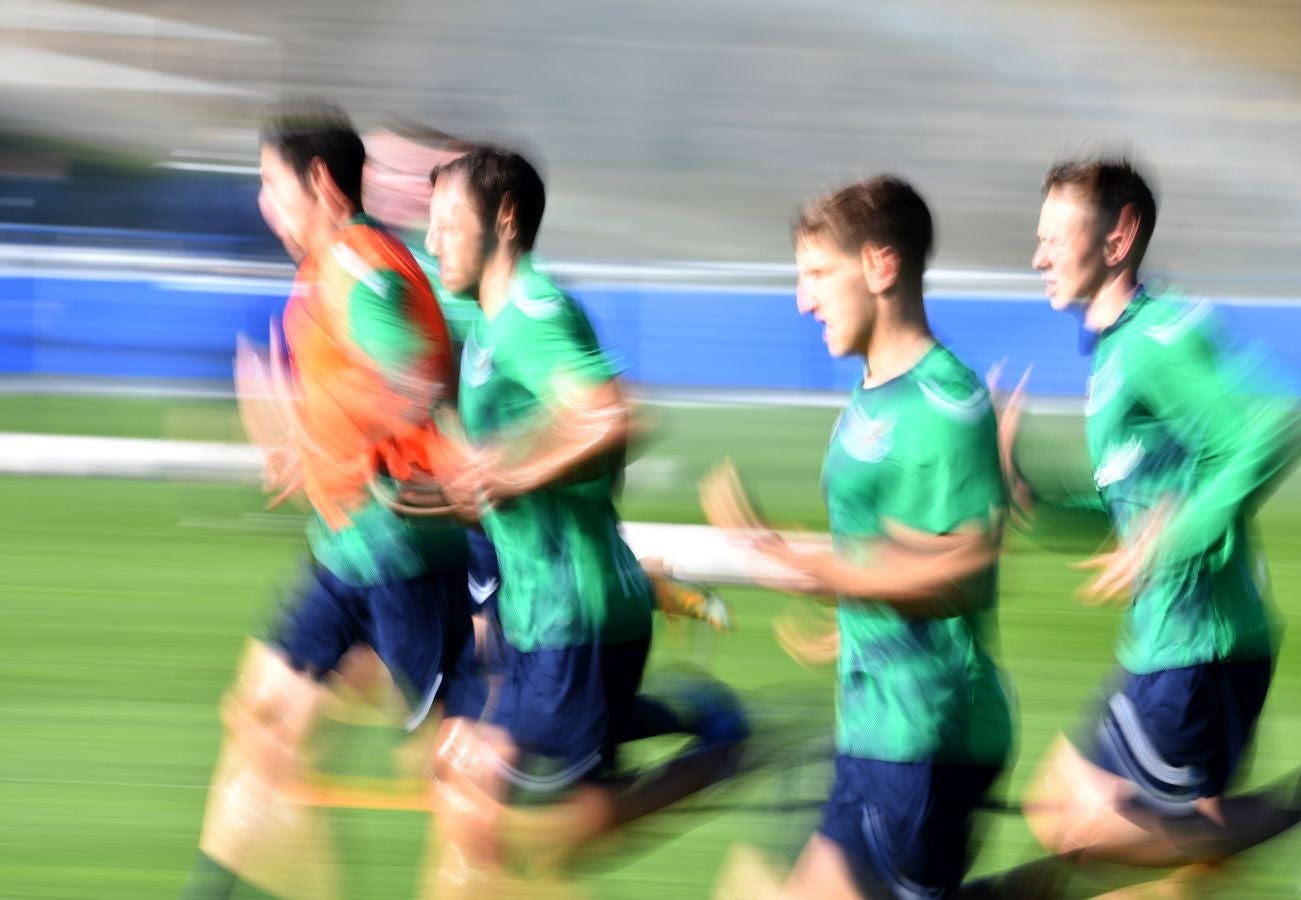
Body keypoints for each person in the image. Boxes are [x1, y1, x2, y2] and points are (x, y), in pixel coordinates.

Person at [992, 155, 1301, 895]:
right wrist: (1035, 498)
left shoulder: (1158, 338)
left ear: (1118, 238)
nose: (1038, 257)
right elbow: (1129, 509)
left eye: (1056, 237)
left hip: (1199, 651)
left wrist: (1175, 535)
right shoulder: (1117, 351)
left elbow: (1274, 423)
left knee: (1072, 822)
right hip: (1168, 645)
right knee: (1148, 870)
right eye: (1039, 237)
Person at [417, 146, 747, 893]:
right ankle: (683, 721)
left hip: (577, 615)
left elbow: (612, 417)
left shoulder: (532, 314)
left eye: (445, 223)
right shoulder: (491, 328)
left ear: (503, 219)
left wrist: (505, 474)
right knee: (470, 791)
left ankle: (722, 747)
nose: (432, 240)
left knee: (510, 825)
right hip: (542, 620)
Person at [181, 99, 474, 899]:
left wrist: (331, 444)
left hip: (402, 553)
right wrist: (309, 447)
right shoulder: (329, 267)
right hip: (346, 549)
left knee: (464, 778)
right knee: (260, 718)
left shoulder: (356, 267)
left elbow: (418, 377)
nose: (263, 204)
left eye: (272, 185)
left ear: (318, 182)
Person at [706, 175, 1012, 899]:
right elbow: (898, 549)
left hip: (928, 736)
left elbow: (962, 571)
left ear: (880, 266)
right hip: (878, 727)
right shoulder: (875, 389)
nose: (802, 299)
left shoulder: (944, 405)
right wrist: (853, 618)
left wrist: (816, 573)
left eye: (817, 275)